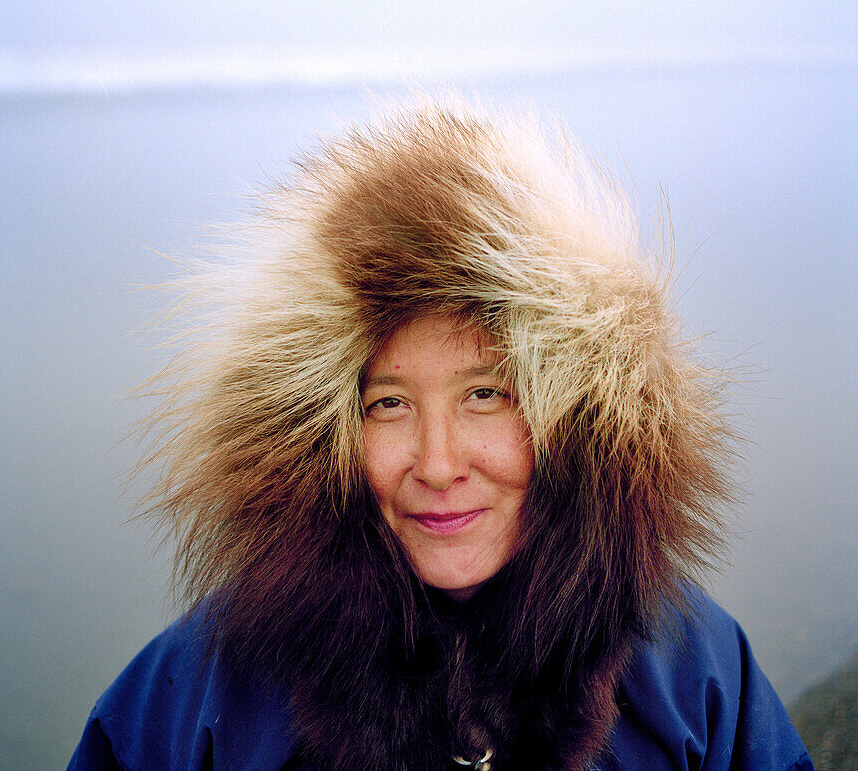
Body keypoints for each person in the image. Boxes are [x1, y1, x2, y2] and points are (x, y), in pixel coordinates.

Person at [69, 100, 812, 771]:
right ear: (316, 435)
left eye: (485, 395)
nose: (437, 463)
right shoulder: (200, 691)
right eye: (386, 404)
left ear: (577, 423)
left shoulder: (691, 671)